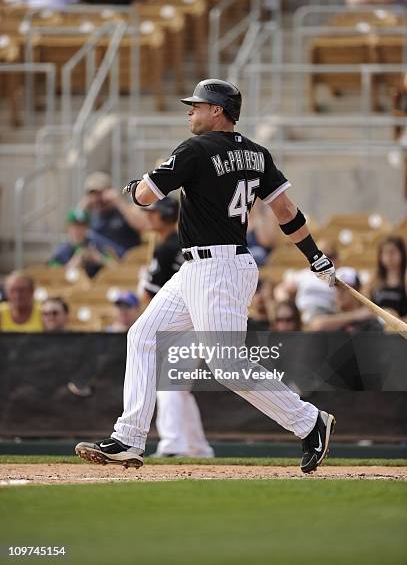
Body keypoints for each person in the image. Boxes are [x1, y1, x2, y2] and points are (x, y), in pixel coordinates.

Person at [76, 78, 336, 474]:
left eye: (196, 105)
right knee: (143, 336)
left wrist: (132, 187)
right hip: (204, 268)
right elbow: (286, 211)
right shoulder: (257, 154)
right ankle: (129, 437)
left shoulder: (195, 149)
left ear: (218, 110)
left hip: (218, 269)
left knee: (227, 365)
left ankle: (309, 421)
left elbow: (145, 197)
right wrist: (313, 254)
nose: (190, 111)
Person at [139, 196, 213, 458]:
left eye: (154, 212)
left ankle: (173, 445)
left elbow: (149, 296)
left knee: (169, 383)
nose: (150, 216)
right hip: (198, 317)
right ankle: (197, 447)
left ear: (166, 215)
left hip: (177, 321)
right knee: (178, 387)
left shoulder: (166, 248)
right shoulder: (186, 242)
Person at [81, 171, 148, 258]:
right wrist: (82, 207)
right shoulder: (91, 214)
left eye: (99, 193)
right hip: (101, 263)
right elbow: (74, 236)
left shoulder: (123, 210)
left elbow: (142, 225)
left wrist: (119, 202)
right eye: (92, 195)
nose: (95, 199)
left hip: (125, 262)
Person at [274, 239, 339, 326]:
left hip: (328, 317)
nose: (326, 261)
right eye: (322, 257)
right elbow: (280, 290)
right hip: (302, 314)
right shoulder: (306, 275)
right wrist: (291, 309)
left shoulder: (342, 277)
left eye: (330, 256)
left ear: (337, 258)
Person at [310, 267, 383, 332]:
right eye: (337, 288)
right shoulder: (329, 311)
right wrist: (356, 315)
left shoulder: (369, 321)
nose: (339, 293)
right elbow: (317, 325)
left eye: (344, 289)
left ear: (357, 291)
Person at [49, 208, 113, 278]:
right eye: (75, 226)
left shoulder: (98, 246)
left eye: (82, 226)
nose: (78, 230)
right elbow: (52, 275)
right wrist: (74, 263)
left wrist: (99, 259)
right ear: (68, 227)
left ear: (87, 227)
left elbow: (117, 269)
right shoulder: (61, 252)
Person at [370, 236, 407, 319]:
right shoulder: (376, 279)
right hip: (378, 327)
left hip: (400, 328)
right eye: (385, 252)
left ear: (402, 254)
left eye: (392, 252)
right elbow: (366, 307)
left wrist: (397, 321)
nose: (389, 256)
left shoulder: (405, 277)